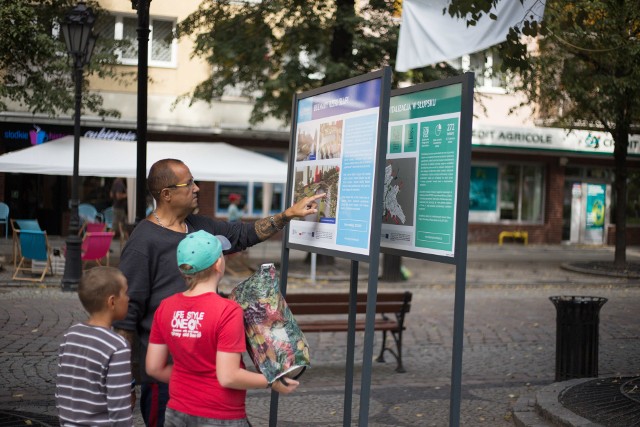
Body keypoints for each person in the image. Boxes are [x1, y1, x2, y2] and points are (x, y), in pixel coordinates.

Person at [113, 158, 323, 427]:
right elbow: (126, 318)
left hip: (214, 375)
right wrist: (125, 381)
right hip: (167, 382)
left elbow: (243, 233)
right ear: (166, 194)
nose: (197, 188)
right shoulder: (143, 242)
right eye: (189, 183)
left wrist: (287, 215)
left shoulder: (199, 225)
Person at [146, 231, 299, 426]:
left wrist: (190, 382)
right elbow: (228, 376)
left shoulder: (165, 306)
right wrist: (273, 382)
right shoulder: (227, 311)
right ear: (219, 264)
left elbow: (153, 367)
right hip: (219, 414)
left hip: (177, 410)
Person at [55, 267, 134, 426]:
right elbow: (119, 408)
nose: (129, 298)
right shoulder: (118, 346)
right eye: (125, 293)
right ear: (112, 301)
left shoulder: (70, 335)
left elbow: (61, 391)